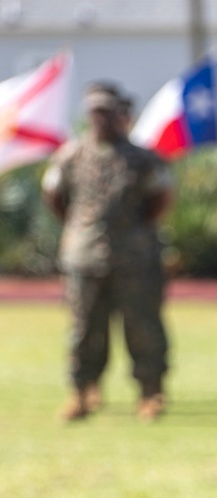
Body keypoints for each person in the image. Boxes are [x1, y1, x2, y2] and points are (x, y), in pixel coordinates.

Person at [42, 82, 171, 422]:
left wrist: (135, 229)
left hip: (134, 258)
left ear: (119, 115)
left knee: (142, 327)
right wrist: (79, 227)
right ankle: (82, 391)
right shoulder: (71, 155)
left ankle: (149, 391)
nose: (100, 119)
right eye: (94, 112)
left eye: (106, 112)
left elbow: (160, 199)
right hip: (83, 258)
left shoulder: (141, 159)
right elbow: (55, 195)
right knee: (84, 329)